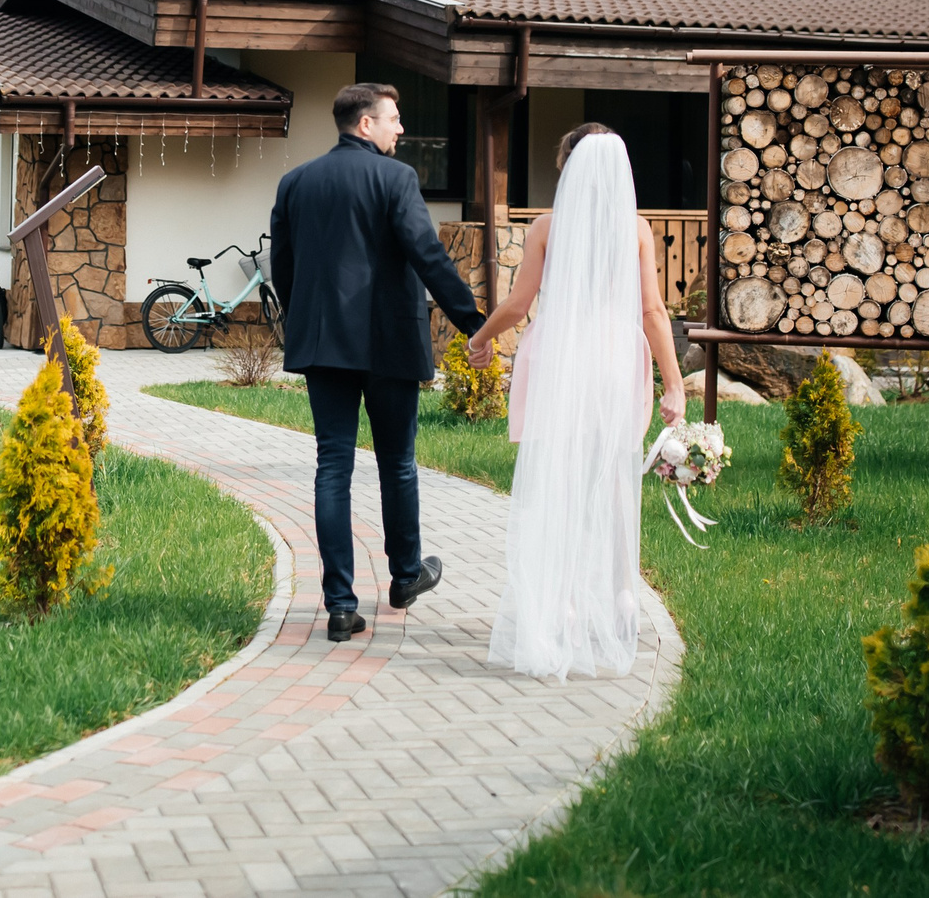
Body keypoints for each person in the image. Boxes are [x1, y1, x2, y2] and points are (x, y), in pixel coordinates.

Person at [466, 122, 689, 681]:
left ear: (569, 166)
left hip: (561, 361)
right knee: (614, 478)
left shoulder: (547, 226)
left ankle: (562, 601)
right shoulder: (636, 229)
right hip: (618, 362)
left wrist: (481, 338)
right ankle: (621, 596)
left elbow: (519, 305)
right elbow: (653, 312)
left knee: (558, 477)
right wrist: (675, 384)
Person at [269, 82, 487, 643]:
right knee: (398, 464)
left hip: (324, 346)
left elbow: (284, 268)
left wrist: (304, 325)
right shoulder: (398, 178)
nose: (401, 129)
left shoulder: (296, 182)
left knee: (332, 467)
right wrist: (474, 322)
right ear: (365, 124)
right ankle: (405, 577)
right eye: (393, 119)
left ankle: (340, 606)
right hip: (389, 344)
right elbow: (428, 255)